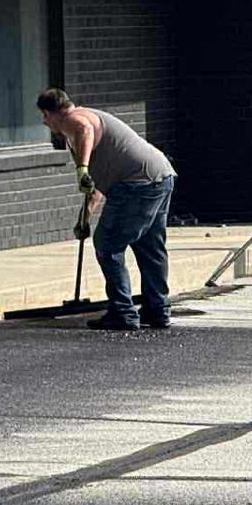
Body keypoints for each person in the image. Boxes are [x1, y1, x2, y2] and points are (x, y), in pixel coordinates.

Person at [36, 89, 177, 330]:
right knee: (149, 246)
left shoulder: (74, 120)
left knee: (107, 244)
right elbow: (97, 184)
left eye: (44, 118)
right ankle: (157, 309)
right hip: (160, 175)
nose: (44, 123)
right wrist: (85, 218)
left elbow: (84, 130)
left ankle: (123, 312)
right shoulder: (86, 119)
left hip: (135, 184)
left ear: (51, 113)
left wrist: (81, 168)